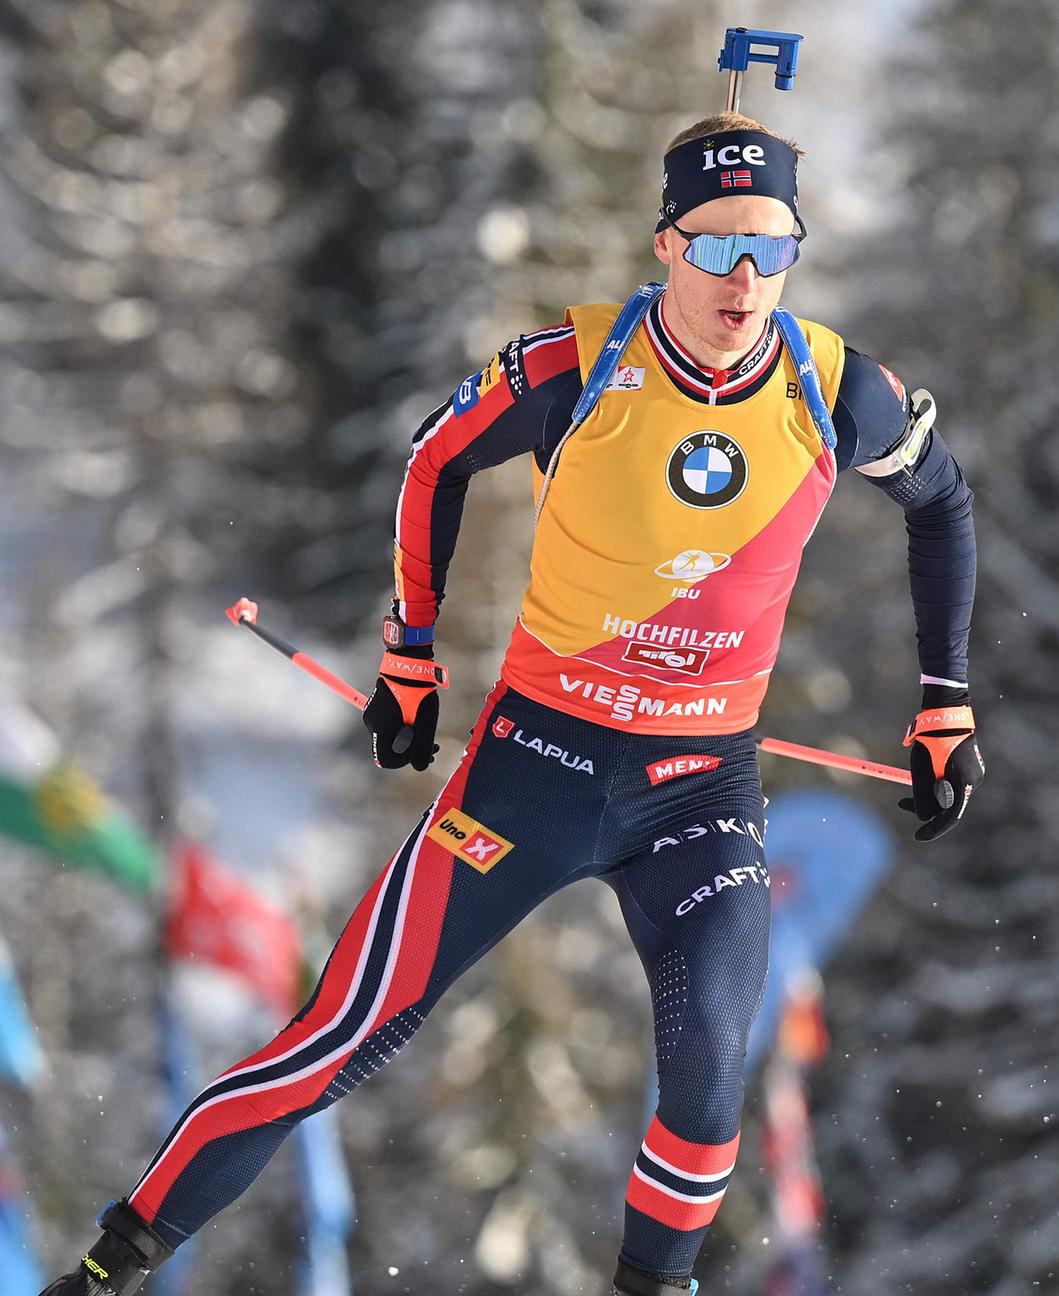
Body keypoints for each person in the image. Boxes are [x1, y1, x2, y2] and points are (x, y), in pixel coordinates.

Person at [42, 111, 983, 1296]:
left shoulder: (836, 387)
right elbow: (436, 458)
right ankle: (112, 1257)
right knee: (345, 1031)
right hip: (539, 765)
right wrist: (411, 654)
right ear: (662, 246)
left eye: (769, 247)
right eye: (711, 248)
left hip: (702, 789)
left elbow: (940, 505)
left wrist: (945, 701)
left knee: (706, 1067)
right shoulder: (576, 367)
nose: (742, 280)